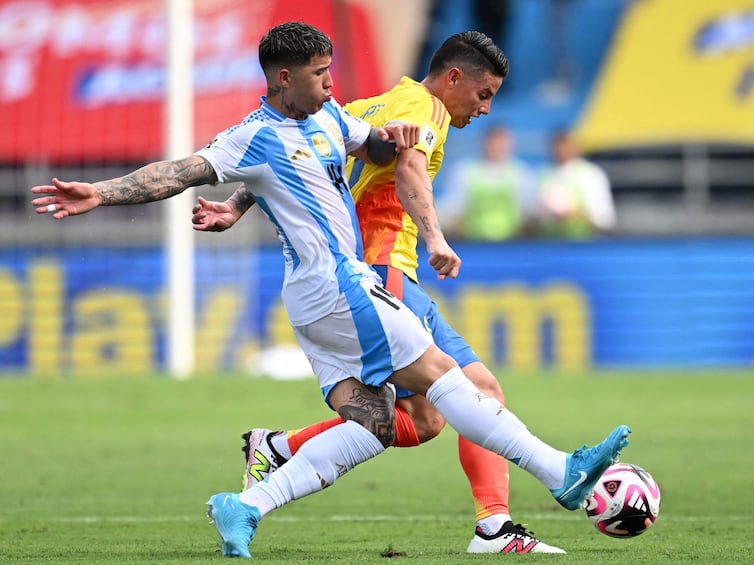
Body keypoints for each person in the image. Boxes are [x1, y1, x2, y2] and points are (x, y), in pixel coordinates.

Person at [32, 22, 630, 559]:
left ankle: (246, 504)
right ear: (285, 77)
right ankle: (556, 474)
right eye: (320, 75)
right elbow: (181, 171)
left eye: (331, 71)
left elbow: (365, 148)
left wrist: (390, 139)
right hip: (342, 280)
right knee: (449, 378)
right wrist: (102, 193)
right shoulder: (251, 137)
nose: (330, 83)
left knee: (374, 426)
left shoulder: (327, 116)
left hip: (317, 298)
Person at [438, 124, 536, 241]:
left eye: (501, 141)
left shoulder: (521, 173)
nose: (496, 146)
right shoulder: (465, 170)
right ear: (484, 142)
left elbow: (529, 212)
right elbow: (453, 208)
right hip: (474, 242)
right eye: (493, 141)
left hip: (511, 243)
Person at [535, 130, 616, 239]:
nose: (561, 150)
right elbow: (530, 218)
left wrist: (573, 215)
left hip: (582, 247)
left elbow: (604, 219)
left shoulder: (590, 174)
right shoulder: (542, 174)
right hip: (548, 245)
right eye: (558, 146)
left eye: (565, 145)